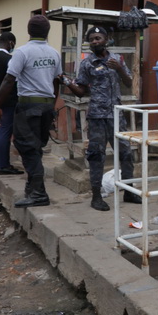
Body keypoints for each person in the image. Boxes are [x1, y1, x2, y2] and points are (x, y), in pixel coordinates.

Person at [61, 26, 141, 211]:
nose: (95, 41)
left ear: (106, 39)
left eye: (98, 38)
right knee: (97, 156)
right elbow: (81, 90)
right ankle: (96, 197)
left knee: (126, 154)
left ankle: (129, 191)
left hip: (117, 116)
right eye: (92, 39)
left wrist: (120, 68)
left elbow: (129, 82)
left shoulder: (117, 59)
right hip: (97, 116)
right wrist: (66, 82)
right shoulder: (87, 64)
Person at [0, 15, 62, 208]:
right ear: (47, 32)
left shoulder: (22, 52)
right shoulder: (54, 53)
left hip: (28, 106)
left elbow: (9, 80)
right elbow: (56, 81)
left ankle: (39, 195)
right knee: (36, 147)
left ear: (29, 31)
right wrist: (53, 105)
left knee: (27, 147)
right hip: (47, 105)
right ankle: (32, 188)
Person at [0, 32, 22, 175]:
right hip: (5, 102)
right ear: (11, 43)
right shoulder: (9, 59)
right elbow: (12, 81)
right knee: (5, 131)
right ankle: (4, 166)